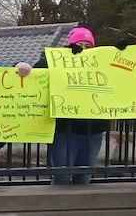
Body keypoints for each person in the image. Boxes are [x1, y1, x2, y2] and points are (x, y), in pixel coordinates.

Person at [15, 27, 130, 185]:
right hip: (64, 131)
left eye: (88, 46)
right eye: (79, 44)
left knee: (84, 177)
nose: (83, 49)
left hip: (93, 131)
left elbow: (123, 74)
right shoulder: (58, 62)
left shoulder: (100, 64)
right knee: (61, 176)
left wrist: (120, 54)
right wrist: (22, 65)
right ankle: (59, 202)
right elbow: (36, 72)